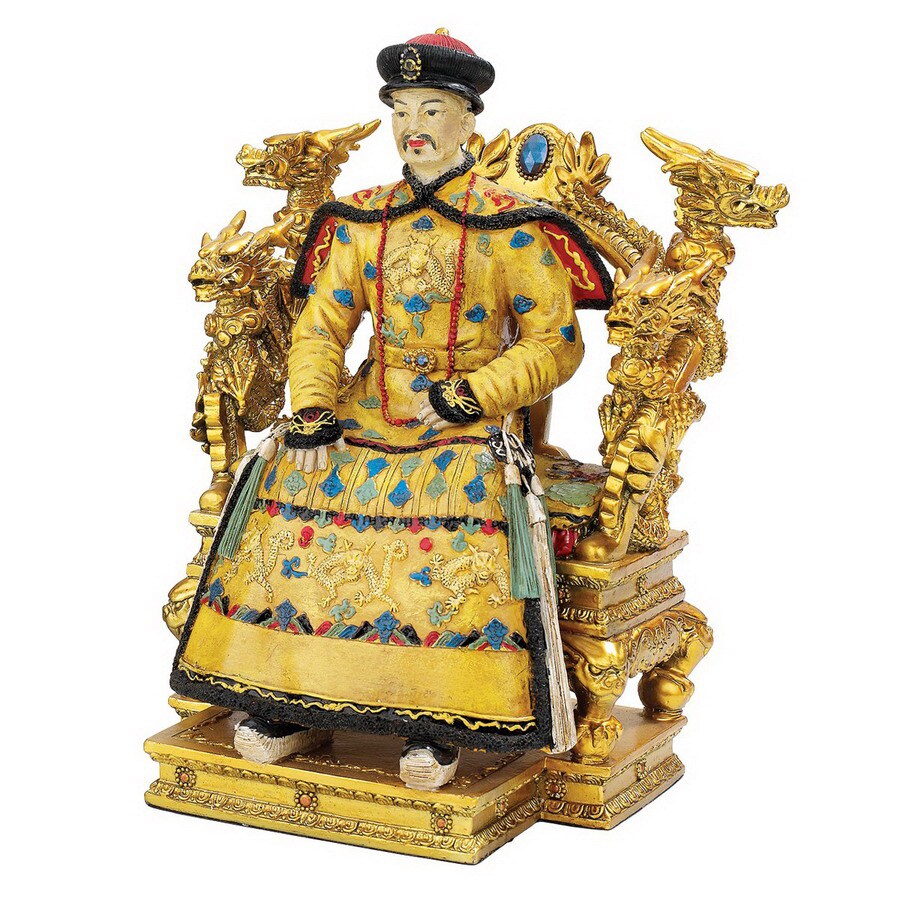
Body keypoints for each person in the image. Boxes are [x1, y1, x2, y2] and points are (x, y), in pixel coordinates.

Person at [171, 29, 612, 790]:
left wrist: (476, 394)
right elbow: (322, 327)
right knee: (288, 470)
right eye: (402, 110)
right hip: (367, 403)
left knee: (455, 493)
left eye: (432, 109)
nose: (415, 127)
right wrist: (312, 404)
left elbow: (556, 342)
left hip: (467, 416)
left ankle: (435, 717)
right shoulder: (363, 219)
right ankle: (288, 693)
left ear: (468, 118)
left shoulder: (512, 227)